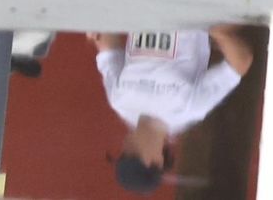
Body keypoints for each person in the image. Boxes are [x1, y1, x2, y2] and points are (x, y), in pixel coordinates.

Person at [90, 26, 253, 194]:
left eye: (122, 155)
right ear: (157, 161)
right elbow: (240, 63)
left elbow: (108, 50)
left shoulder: (118, 101)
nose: (125, 148)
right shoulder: (190, 109)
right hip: (189, 13)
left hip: (144, 5)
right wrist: (217, 32)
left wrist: (97, 30)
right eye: (132, 156)